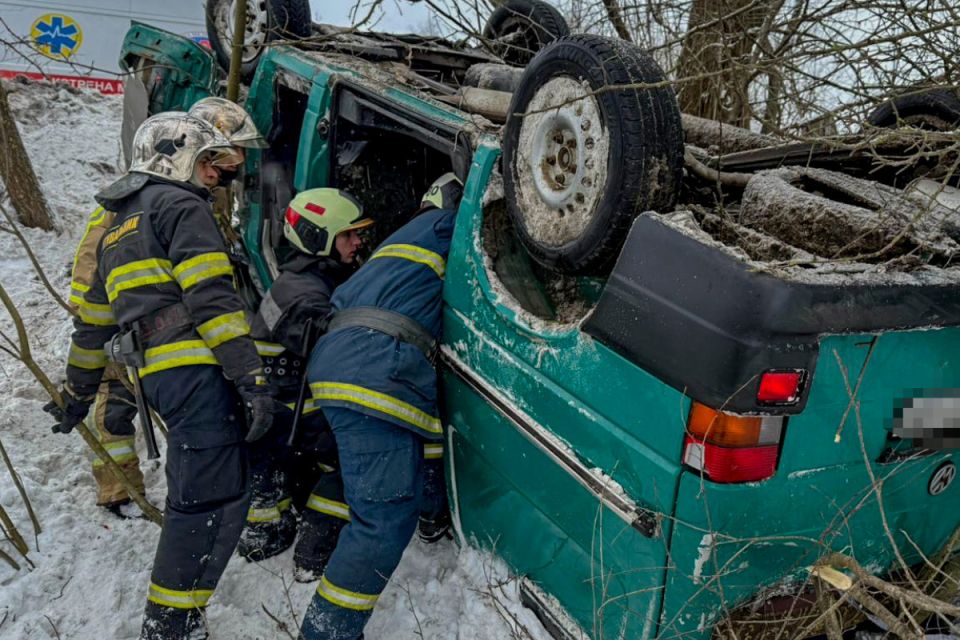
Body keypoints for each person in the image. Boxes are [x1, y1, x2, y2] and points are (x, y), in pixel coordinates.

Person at [52, 112, 277, 640]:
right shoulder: (180, 205)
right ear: (172, 157)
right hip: (196, 371)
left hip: (158, 379)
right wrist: (251, 377)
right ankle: (171, 624)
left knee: (200, 490)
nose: (216, 175)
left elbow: (92, 328)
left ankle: (174, 619)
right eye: (206, 162)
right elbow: (212, 300)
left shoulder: (115, 229)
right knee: (210, 500)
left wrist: (75, 396)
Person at [298, 173, 463, 640]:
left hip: (340, 362)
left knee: (395, 461)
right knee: (381, 521)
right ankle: (325, 633)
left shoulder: (401, 242)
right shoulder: (450, 225)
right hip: (374, 368)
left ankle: (429, 520)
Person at [238, 187, 372, 565]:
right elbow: (340, 353)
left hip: (285, 402)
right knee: (357, 458)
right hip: (290, 406)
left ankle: (277, 524)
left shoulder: (304, 280)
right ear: (319, 238)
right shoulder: (304, 297)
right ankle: (316, 552)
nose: (357, 241)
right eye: (348, 234)